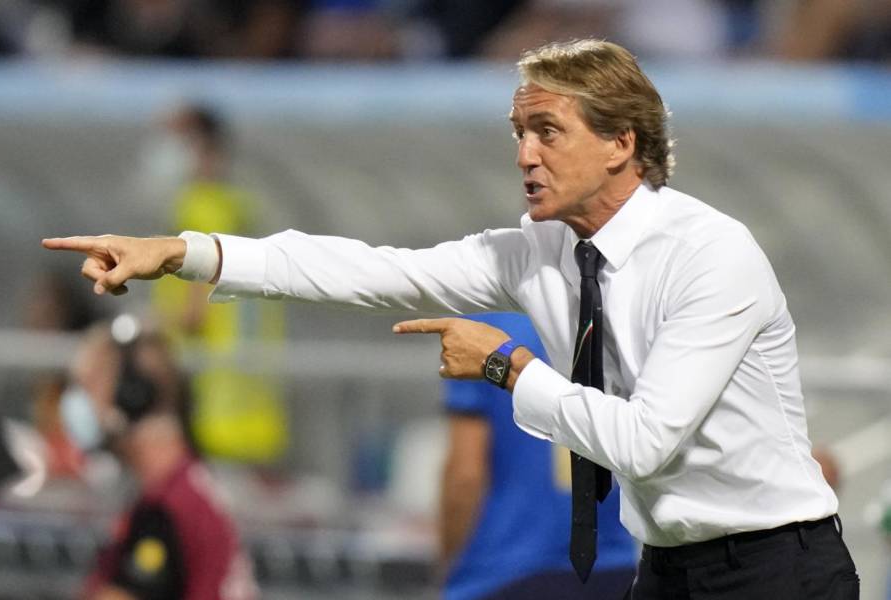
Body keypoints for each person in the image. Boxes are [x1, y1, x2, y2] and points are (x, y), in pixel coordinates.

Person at [44, 38, 859, 598]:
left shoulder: (711, 253)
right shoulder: (538, 251)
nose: (524, 154)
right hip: (669, 566)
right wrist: (184, 252)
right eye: (519, 132)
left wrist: (507, 366)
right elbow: (370, 271)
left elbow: (647, 441)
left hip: (778, 568)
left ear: (621, 143)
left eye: (547, 131)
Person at [441, 312, 636, 600]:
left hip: (505, 569)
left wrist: (445, 563)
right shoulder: (609, 312)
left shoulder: (484, 331)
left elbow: (466, 476)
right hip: (612, 569)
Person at [63, 316, 258, 600]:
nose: (76, 404)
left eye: (88, 385)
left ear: (131, 395)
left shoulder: (165, 509)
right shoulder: (182, 487)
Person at [145, 103, 289, 465]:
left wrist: (149, 325)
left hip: (209, 396)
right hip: (250, 394)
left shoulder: (199, 208)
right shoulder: (238, 206)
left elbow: (194, 314)